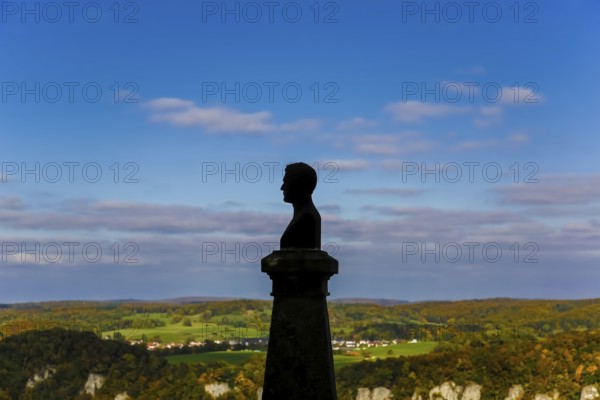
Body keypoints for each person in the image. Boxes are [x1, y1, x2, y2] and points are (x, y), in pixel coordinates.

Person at [279, 162, 321, 249]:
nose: (282, 187)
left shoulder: (308, 217)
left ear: (298, 184)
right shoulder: (305, 216)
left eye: (286, 182)